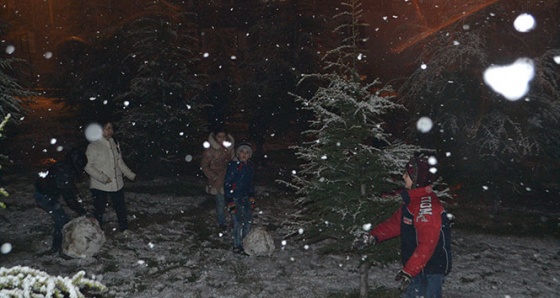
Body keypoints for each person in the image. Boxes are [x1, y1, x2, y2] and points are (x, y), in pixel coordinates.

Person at [353, 154, 452, 298]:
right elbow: (396, 224)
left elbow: (428, 243)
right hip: (417, 266)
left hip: (430, 269)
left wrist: (409, 271)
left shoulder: (426, 206)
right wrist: (372, 236)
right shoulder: (414, 201)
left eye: (407, 174)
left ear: (417, 180)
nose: (403, 176)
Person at [85, 121, 136, 233]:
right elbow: (87, 166)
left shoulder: (114, 144)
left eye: (111, 128)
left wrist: (130, 174)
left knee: (120, 207)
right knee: (99, 209)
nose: (110, 131)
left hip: (116, 183)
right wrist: (102, 178)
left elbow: (119, 162)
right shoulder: (94, 146)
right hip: (100, 185)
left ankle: (124, 229)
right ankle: (97, 232)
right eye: (107, 128)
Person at [35, 148, 88, 255]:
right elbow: (68, 196)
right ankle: (57, 247)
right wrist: (82, 211)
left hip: (47, 193)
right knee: (62, 220)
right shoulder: (63, 170)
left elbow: (70, 187)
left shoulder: (66, 166)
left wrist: (78, 198)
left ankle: (58, 246)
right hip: (44, 196)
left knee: (62, 219)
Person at [224, 142, 256, 254]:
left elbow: (250, 183)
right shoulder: (234, 165)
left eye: (247, 152)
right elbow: (228, 183)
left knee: (247, 220)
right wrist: (229, 200)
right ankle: (237, 245)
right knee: (237, 221)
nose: (244, 154)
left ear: (249, 155)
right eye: (242, 151)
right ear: (238, 153)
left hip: (245, 197)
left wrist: (252, 196)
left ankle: (245, 243)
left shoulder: (250, 166)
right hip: (235, 197)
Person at [201, 129, 235, 232]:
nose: (221, 139)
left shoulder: (229, 148)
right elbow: (204, 165)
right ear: (215, 137)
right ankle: (221, 223)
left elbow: (234, 161)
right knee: (220, 203)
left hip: (229, 179)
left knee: (232, 202)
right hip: (217, 181)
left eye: (223, 137)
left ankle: (235, 221)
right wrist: (213, 176)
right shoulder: (210, 151)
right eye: (219, 137)